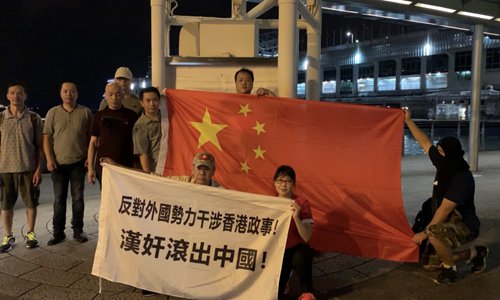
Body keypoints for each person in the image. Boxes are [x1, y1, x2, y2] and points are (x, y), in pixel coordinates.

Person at [101, 151, 220, 297]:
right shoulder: (182, 182)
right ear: (193, 170)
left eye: (206, 169)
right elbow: (152, 178)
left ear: (213, 171)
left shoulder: (222, 194)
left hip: (203, 238)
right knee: (157, 240)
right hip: (179, 233)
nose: (202, 173)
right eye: (199, 168)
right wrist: (117, 167)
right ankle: (154, 282)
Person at [404, 109, 489, 284]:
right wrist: (408, 121)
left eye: (440, 152)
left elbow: (445, 210)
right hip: (446, 221)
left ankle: (450, 270)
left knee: (433, 232)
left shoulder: (461, 178)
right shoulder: (445, 164)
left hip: (463, 224)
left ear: (449, 155)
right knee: (429, 264)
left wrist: (424, 233)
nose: (437, 153)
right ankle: (475, 254)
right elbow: (425, 143)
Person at [43, 82, 93, 245]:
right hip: (58, 164)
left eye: (72, 91)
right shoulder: (53, 113)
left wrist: (89, 158)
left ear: (77, 94)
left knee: (78, 198)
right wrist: (49, 159)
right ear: (60, 93)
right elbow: (47, 138)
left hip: (78, 163)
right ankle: (58, 232)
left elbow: (91, 138)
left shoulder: (85, 112)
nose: (68, 94)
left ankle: (78, 231)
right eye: (65, 91)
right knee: (59, 199)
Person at [0, 82, 43, 252]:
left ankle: (30, 233)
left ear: (25, 96)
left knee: (31, 203)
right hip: (5, 168)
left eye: (19, 93)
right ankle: (8, 236)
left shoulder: (34, 118)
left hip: (28, 167)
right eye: (12, 93)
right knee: (6, 205)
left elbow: (39, 146)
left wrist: (39, 169)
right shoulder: (1, 118)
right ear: (7, 96)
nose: (15, 96)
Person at [272, 165, 315, 299]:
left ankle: (307, 293)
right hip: (277, 251)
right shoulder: (269, 203)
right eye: (280, 180)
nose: (283, 185)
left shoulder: (301, 203)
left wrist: (296, 217)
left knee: (303, 254)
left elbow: (306, 237)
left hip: (295, 248)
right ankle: (283, 283)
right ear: (274, 183)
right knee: (275, 292)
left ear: (294, 184)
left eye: (288, 181)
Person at [87, 82, 138, 186]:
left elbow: (136, 142)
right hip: (104, 167)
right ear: (105, 96)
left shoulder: (132, 116)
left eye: (118, 94)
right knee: (107, 200)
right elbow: (92, 143)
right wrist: (90, 168)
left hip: (126, 166)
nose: (114, 98)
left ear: (123, 95)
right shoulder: (99, 116)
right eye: (110, 94)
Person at [133, 87, 161, 173]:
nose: (152, 104)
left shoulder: (166, 117)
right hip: (156, 170)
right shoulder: (140, 126)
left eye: (155, 100)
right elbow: (143, 154)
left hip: (173, 168)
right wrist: (149, 176)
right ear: (142, 103)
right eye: (148, 101)